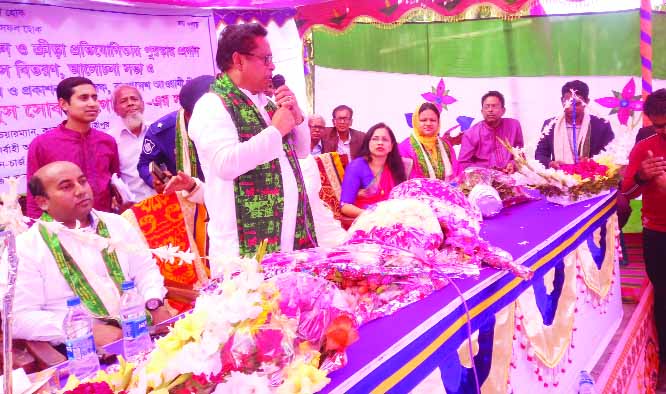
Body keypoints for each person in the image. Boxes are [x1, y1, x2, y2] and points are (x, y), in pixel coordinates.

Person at [1, 161, 169, 347]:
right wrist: (81, 329)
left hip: (143, 327)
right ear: (42, 202)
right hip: (81, 350)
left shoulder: (117, 224)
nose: (81, 190)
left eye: (82, 181)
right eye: (66, 187)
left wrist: (153, 301)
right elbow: (17, 317)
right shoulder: (26, 249)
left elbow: (145, 270)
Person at [188, 23, 316, 258]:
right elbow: (225, 164)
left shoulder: (265, 103)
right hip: (242, 248)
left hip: (286, 236)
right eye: (265, 59)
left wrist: (297, 118)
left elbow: (302, 151)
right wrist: (275, 131)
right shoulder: (212, 105)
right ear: (238, 60)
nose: (272, 66)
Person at [620, 88, 666, 388]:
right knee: (663, 298)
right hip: (657, 235)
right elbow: (627, 193)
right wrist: (643, 178)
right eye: (661, 126)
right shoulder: (644, 148)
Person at [26, 77, 120, 219]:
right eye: (84, 98)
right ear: (64, 104)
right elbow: (34, 196)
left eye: (94, 98)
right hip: (63, 228)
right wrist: (39, 230)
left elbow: (116, 182)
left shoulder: (107, 141)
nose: (92, 104)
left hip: (103, 224)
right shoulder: (42, 144)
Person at [137, 75, 213, 194]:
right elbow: (145, 164)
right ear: (188, 115)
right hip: (187, 199)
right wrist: (157, 181)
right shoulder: (162, 132)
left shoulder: (234, 121)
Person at [535, 80, 614, 168]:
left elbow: (611, 155)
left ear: (586, 102)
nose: (571, 108)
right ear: (562, 100)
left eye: (576, 104)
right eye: (567, 103)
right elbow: (540, 155)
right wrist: (550, 163)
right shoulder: (550, 125)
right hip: (559, 178)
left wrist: (590, 162)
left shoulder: (601, 125)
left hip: (592, 179)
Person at [340, 123, 407, 218]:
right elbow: (345, 206)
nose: (380, 143)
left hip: (393, 218)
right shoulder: (356, 166)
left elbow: (404, 200)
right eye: (375, 139)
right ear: (368, 143)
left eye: (385, 139)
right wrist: (373, 215)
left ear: (391, 146)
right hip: (365, 220)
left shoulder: (396, 167)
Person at [109, 85, 155, 202]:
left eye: (134, 99)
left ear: (142, 104)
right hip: (133, 207)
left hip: (164, 200)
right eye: (123, 101)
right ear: (115, 109)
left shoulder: (156, 131)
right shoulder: (110, 139)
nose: (130, 103)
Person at [458, 91, 524, 172]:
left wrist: (513, 164)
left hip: (511, 175)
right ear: (482, 111)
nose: (490, 110)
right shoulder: (471, 133)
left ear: (503, 110)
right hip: (482, 179)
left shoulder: (514, 126)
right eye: (487, 107)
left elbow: (520, 153)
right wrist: (485, 173)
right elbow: (463, 163)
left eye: (494, 106)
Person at [398, 102, 459, 181]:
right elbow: (402, 179)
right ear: (416, 121)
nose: (428, 123)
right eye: (423, 120)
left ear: (438, 122)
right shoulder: (405, 148)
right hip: (417, 192)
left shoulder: (446, 145)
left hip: (446, 191)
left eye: (433, 120)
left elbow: (457, 171)